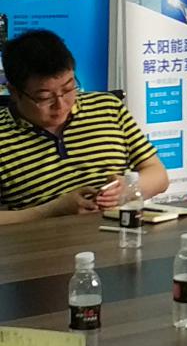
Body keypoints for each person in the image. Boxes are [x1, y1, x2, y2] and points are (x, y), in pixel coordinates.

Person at [0, 30, 168, 225]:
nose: (61, 104)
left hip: (121, 233)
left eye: (68, 88)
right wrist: (52, 211)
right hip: (45, 240)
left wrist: (128, 189)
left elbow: (158, 175)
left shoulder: (108, 107)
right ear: (14, 92)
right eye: (44, 97)